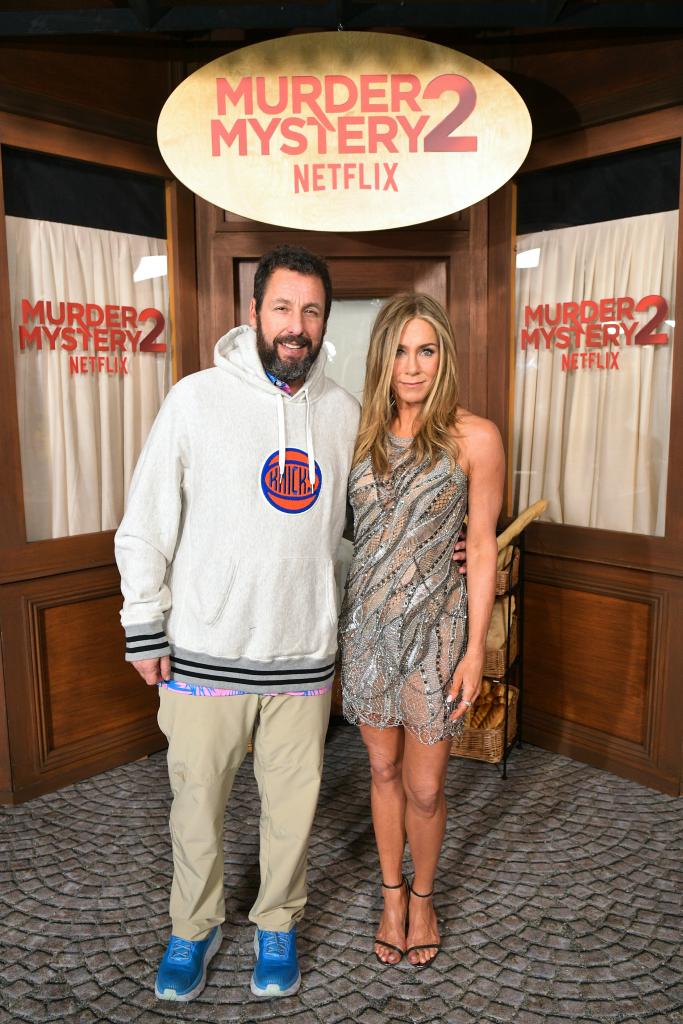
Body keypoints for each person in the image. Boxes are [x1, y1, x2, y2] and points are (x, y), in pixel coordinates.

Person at [114, 245, 361, 1001]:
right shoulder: (195, 400)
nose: (297, 326)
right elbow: (145, 523)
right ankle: (192, 928)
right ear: (253, 313)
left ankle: (277, 921)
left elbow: (361, 525)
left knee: (292, 811)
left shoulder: (344, 414)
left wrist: (445, 536)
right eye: (283, 308)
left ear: (323, 322)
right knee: (196, 808)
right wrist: (143, 622)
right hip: (204, 655)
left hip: (300, 657)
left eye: (311, 311)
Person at [338, 293, 504, 967]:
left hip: (435, 635)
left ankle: (425, 895)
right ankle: (389, 895)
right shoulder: (354, 435)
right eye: (401, 350)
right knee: (380, 768)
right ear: (383, 357)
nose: (412, 366)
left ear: (444, 357)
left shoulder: (476, 437)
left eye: (426, 350)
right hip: (367, 633)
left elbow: (484, 545)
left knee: (426, 786)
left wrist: (474, 650)